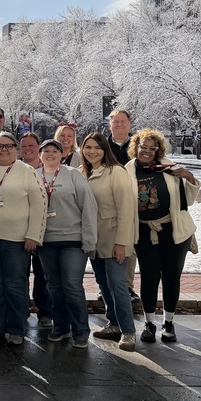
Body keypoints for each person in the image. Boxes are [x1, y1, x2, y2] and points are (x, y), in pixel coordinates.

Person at [126, 128, 200, 344]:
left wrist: (190, 178)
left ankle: (169, 323)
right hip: (144, 232)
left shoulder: (169, 169)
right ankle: (149, 323)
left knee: (171, 276)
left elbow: (188, 201)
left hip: (174, 231)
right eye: (143, 147)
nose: (147, 151)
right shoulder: (127, 171)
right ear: (136, 147)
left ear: (158, 150)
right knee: (149, 276)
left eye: (152, 148)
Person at [0, 132, 47, 345]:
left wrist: (34, 234)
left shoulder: (27, 172)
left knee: (15, 284)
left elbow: (40, 204)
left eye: (8, 146)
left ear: (16, 149)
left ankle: (17, 328)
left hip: (17, 239)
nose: (4, 150)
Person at [36, 139, 97, 349]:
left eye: (54, 151)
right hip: (46, 241)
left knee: (71, 285)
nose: (50, 154)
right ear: (39, 155)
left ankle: (81, 331)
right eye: (46, 151)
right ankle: (61, 327)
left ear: (62, 155)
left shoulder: (73, 175)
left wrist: (90, 240)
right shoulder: (34, 176)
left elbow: (88, 207)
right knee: (54, 286)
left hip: (73, 240)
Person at [80, 133, 138, 352]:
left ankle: (128, 330)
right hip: (94, 240)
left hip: (114, 239)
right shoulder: (82, 173)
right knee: (104, 285)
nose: (92, 151)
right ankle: (113, 324)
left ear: (105, 149)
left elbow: (126, 210)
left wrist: (122, 243)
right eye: (87, 147)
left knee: (118, 285)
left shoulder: (116, 172)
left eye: (97, 147)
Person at [18, 132, 52, 329]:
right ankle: (21, 311)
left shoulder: (49, 171)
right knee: (20, 275)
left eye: (31, 145)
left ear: (38, 148)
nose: (28, 149)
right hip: (19, 230)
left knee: (43, 275)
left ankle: (45, 312)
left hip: (43, 230)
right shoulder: (16, 170)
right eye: (24, 146)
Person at [107, 109, 140, 301]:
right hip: (106, 201)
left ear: (129, 124)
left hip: (132, 200)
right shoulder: (103, 145)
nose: (119, 125)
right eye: (115, 122)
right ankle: (106, 286)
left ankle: (127, 286)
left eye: (123, 122)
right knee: (105, 244)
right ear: (110, 124)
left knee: (129, 244)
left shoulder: (137, 146)